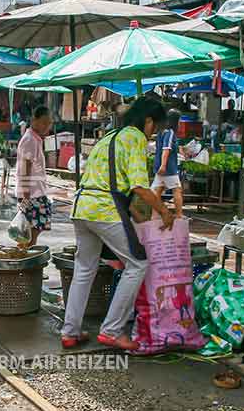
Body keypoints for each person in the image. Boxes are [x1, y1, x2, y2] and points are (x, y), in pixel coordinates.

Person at [61, 97, 175, 351]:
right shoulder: (134, 138)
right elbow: (138, 187)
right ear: (147, 121)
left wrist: (139, 214)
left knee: (84, 268)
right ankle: (112, 330)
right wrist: (164, 212)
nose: (152, 134)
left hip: (82, 206)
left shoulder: (109, 136)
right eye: (154, 129)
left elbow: (117, 182)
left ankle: (70, 331)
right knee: (138, 263)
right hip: (105, 210)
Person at [16, 106, 53, 247]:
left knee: (30, 234)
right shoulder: (30, 140)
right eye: (44, 122)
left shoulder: (35, 139)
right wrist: (26, 197)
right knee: (29, 235)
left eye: (49, 123)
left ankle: (23, 261)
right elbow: (25, 169)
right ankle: (22, 262)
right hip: (32, 195)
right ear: (34, 120)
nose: (47, 126)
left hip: (36, 193)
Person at [152, 109, 184, 218]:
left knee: (157, 191)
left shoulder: (161, 131)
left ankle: (154, 216)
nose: (180, 123)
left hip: (159, 167)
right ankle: (179, 215)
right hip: (168, 168)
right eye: (179, 121)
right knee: (177, 190)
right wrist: (163, 165)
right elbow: (166, 149)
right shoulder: (169, 132)